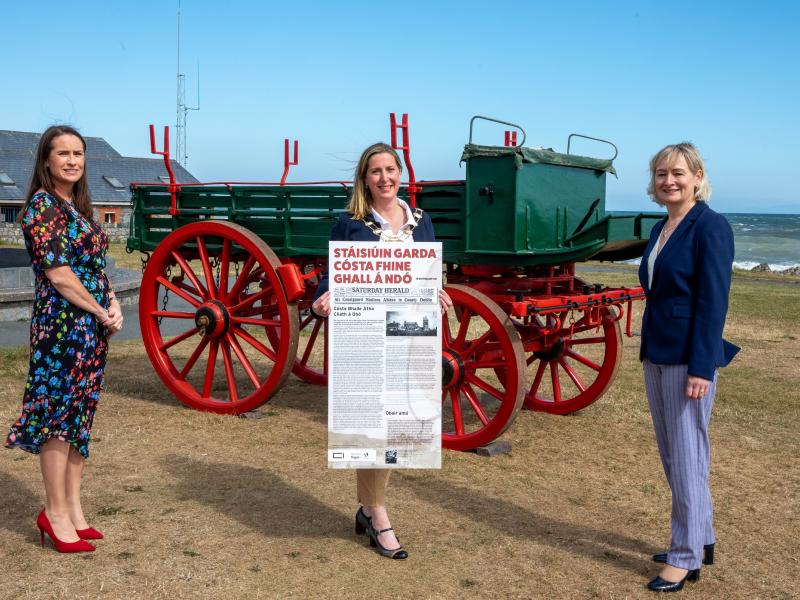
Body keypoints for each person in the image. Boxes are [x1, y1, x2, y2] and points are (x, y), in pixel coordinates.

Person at [311, 142, 452, 559]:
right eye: (376, 171)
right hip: (367, 335)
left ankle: (367, 508)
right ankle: (377, 514)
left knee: (397, 425)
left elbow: (426, 272)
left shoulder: (421, 221)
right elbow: (331, 276)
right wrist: (325, 297)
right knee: (373, 426)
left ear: (400, 173)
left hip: (409, 335)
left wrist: (436, 291)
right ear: (365, 178)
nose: (385, 178)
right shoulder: (350, 223)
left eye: (391, 169)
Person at [5, 126, 123, 553]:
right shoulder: (41, 207)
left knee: (78, 417)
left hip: (90, 327)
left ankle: (73, 508)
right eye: (63, 154)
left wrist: (113, 303)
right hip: (62, 329)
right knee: (57, 419)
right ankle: (53, 513)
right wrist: (97, 309)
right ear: (47, 161)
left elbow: (94, 267)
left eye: (78, 153)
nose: (72, 160)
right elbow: (59, 275)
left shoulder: (77, 206)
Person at [638, 142, 739, 592]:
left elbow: (712, 304)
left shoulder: (711, 227)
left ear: (697, 176)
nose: (669, 181)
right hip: (657, 354)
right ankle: (702, 537)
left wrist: (702, 367)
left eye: (678, 172)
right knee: (676, 456)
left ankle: (685, 556)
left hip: (688, 361)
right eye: (661, 174)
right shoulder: (664, 226)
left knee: (686, 458)